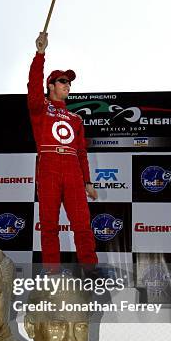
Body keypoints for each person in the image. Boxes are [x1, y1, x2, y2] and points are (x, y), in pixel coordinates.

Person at [28, 31, 98, 269]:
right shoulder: (40, 108)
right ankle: (52, 276)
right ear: (51, 85)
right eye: (63, 81)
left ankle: (90, 272)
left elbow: (81, 152)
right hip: (48, 166)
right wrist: (40, 54)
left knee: (82, 225)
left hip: (72, 170)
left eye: (69, 82)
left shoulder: (75, 118)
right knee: (49, 226)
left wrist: (87, 181)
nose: (68, 85)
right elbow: (33, 85)